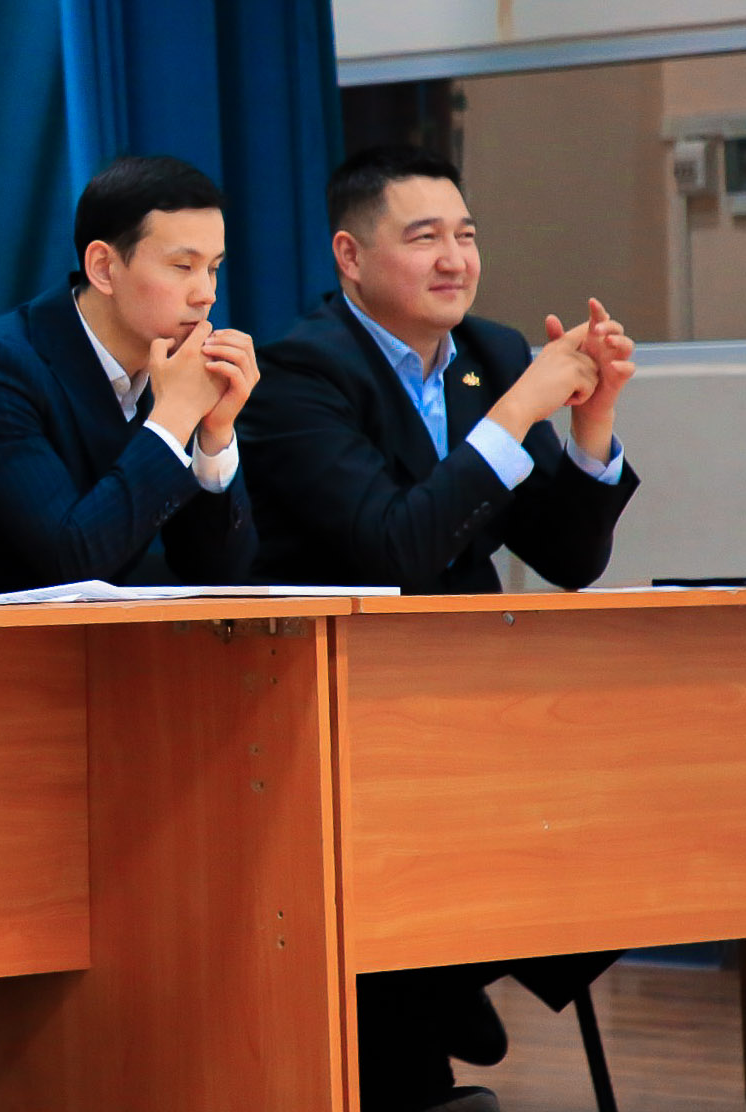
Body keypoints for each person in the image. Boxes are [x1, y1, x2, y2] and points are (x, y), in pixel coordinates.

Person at [239, 145, 641, 1112]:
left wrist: (591, 428)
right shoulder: (300, 373)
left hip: (463, 700)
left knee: (631, 802)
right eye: (424, 239)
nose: (455, 259)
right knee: (442, 845)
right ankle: (434, 997)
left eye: (466, 235)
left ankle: (442, 981)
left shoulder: (489, 354)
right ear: (350, 256)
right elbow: (396, 549)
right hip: (336, 705)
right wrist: (518, 413)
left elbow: (568, 557)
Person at [0, 154, 258, 595]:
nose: (206, 295)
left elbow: (219, 579)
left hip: (94, 637)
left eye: (213, 268)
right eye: (183, 267)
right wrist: (175, 416)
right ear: (103, 267)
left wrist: (214, 435)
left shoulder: (170, 372)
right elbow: (73, 563)